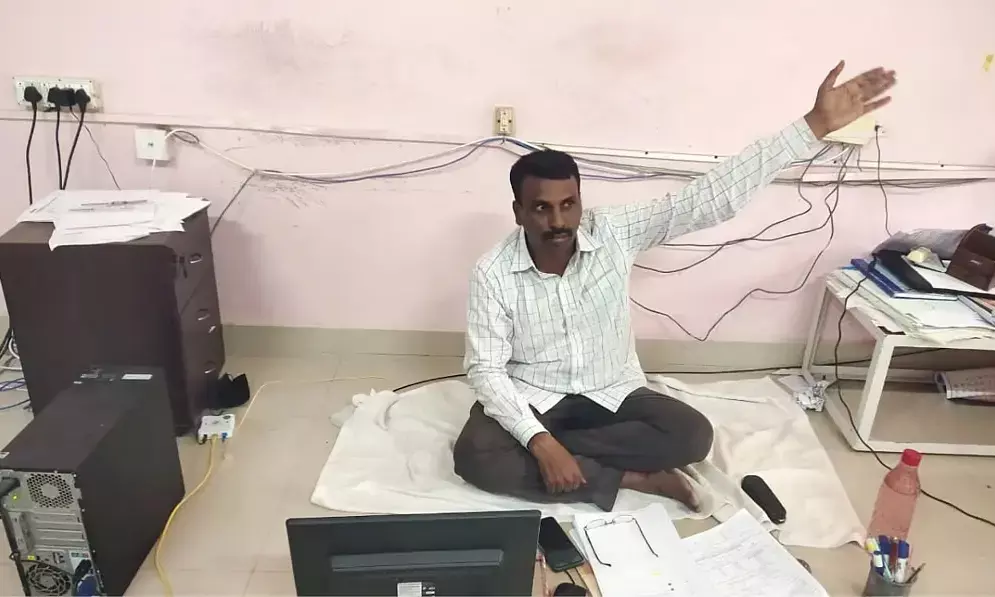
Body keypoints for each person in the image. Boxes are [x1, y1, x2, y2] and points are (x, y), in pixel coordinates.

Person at [453, 62, 897, 511]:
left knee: (692, 436)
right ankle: (626, 477)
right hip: (536, 397)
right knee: (474, 456)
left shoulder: (613, 232)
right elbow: (486, 369)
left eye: (569, 205)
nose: (558, 221)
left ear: (581, 203)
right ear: (518, 212)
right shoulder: (493, 272)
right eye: (541, 208)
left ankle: (565, 460)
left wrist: (813, 125)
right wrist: (539, 439)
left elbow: (707, 200)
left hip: (611, 393)